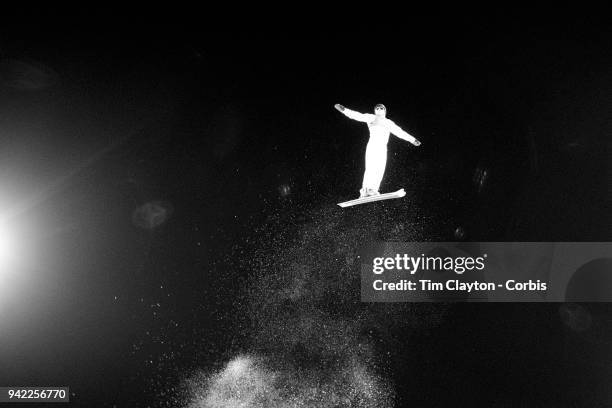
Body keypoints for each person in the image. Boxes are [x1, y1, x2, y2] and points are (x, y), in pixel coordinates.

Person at [335, 103, 421, 198]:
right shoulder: (371, 117)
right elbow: (357, 115)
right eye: (377, 108)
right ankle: (365, 190)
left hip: (382, 148)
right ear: (375, 110)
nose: (379, 109)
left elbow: (400, 132)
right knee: (371, 167)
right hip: (373, 145)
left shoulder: (388, 122)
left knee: (380, 167)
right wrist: (344, 110)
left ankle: (373, 190)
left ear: (385, 111)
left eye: (381, 108)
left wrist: (412, 140)